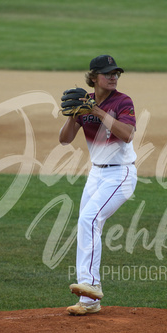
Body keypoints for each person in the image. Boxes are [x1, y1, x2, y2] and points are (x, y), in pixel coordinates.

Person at [59, 55, 137, 315]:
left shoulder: (123, 102)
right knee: (86, 224)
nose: (113, 76)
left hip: (121, 175)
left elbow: (127, 135)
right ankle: (89, 301)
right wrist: (73, 116)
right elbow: (64, 140)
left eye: (116, 72)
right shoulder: (85, 103)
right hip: (96, 175)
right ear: (94, 77)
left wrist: (97, 112)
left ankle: (90, 285)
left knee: (89, 220)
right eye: (107, 73)